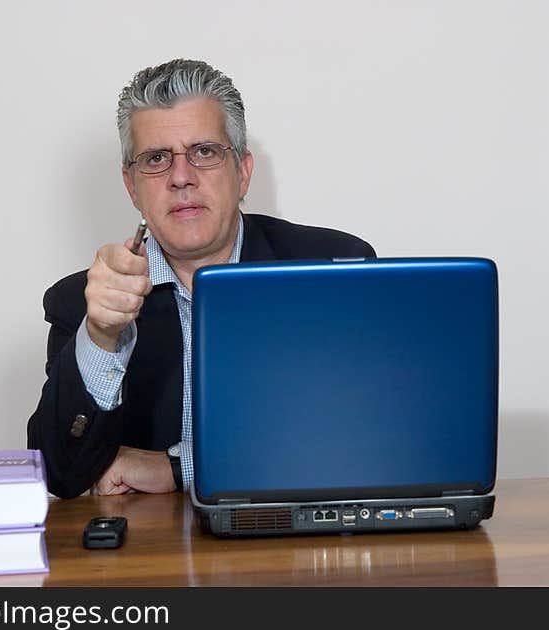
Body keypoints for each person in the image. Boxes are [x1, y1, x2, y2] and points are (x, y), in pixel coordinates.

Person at [27, 59, 375, 499]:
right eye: (156, 159)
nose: (181, 177)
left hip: (295, 550)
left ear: (243, 172)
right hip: (152, 558)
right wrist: (102, 335)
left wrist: (178, 468)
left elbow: (356, 438)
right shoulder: (84, 303)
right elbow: (60, 473)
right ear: (131, 186)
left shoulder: (334, 267)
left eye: (204, 152)